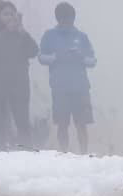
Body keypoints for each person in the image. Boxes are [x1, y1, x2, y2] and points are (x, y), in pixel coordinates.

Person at [39, 3, 96, 154]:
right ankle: (64, 154)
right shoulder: (49, 35)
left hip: (81, 87)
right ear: (58, 19)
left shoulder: (81, 36)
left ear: (73, 18)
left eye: (70, 19)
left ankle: (84, 154)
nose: (67, 23)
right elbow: (41, 57)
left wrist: (81, 57)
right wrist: (56, 57)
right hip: (60, 88)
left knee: (81, 124)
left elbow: (92, 61)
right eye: (64, 19)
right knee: (62, 124)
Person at [0, 2, 39, 151]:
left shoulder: (20, 34)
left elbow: (34, 51)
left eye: (12, 14)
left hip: (19, 82)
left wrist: (23, 32)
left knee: (22, 118)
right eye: (5, 14)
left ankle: (26, 149)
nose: (9, 17)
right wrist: (7, 32)